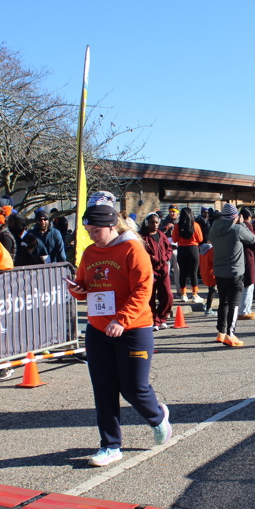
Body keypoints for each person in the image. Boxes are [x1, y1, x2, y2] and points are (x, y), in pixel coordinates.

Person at [66, 200, 171, 467]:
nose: (92, 236)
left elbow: (143, 290)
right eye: (88, 231)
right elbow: (85, 284)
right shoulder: (90, 252)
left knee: (134, 388)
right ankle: (110, 445)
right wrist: (77, 290)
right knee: (103, 389)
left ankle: (158, 417)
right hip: (98, 329)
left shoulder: (133, 249)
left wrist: (122, 320)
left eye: (96, 231)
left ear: (112, 226)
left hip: (134, 328)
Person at [208, 202, 255, 347]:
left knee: (223, 302)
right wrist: (242, 224)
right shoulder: (237, 229)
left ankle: (221, 332)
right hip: (235, 271)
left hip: (219, 270)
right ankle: (230, 333)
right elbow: (252, 239)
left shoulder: (213, 228)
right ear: (235, 217)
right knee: (234, 304)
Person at [140, 212, 174, 330]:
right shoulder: (142, 237)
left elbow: (169, 248)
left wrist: (166, 257)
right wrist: (152, 258)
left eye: (156, 222)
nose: (155, 225)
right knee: (150, 296)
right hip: (150, 269)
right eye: (152, 222)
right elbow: (141, 252)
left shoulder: (161, 234)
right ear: (147, 223)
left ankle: (162, 318)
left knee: (167, 294)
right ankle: (153, 320)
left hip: (163, 268)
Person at [172, 207, 204, 303]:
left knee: (182, 272)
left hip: (181, 249)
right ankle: (195, 294)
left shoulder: (177, 226)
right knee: (194, 272)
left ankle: (183, 294)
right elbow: (200, 239)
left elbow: (174, 239)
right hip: (193, 249)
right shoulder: (195, 225)